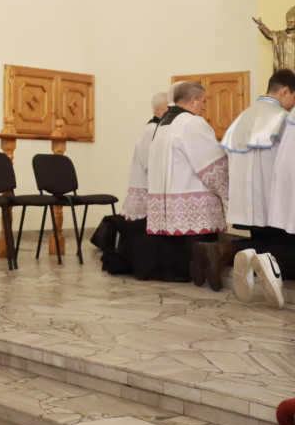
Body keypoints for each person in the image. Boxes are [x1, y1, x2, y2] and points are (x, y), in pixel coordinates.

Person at [194, 70, 295, 299]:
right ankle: (226, 251)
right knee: (281, 246)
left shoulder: (244, 115)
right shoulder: (281, 118)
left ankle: (222, 250)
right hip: (270, 199)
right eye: (293, 98)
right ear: (286, 91)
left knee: (259, 240)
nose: (292, 105)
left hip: (245, 201)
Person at [140, 82, 228, 281]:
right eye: (203, 101)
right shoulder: (192, 123)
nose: (204, 107)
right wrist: (230, 189)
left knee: (174, 251)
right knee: (198, 248)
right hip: (193, 199)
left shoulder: (162, 124)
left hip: (167, 200)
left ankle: (176, 271)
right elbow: (211, 164)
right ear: (193, 100)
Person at [93, 91, 167, 256]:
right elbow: (150, 163)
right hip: (146, 184)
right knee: (137, 226)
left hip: (150, 184)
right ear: (160, 108)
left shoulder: (157, 129)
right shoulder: (152, 130)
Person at [253, 5, 295, 72]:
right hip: (284, 72)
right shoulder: (280, 35)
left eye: (291, 22)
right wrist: (261, 25)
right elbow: (270, 34)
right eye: (287, 22)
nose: (289, 24)